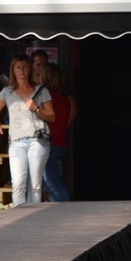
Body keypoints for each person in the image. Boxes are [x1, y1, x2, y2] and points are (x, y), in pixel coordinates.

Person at [0, 55, 56, 206]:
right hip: (17, 142)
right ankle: (20, 216)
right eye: (18, 67)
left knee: (35, 185)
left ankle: (33, 216)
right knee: (18, 184)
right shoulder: (7, 91)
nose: (22, 70)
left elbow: (52, 116)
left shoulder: (41, 90)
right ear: (13, 70)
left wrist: (36, 108)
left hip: (38, 140)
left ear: (30, 69)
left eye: (25, 67)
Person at [36, 63, 76, 201]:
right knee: (48, 183)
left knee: (53, 185)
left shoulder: (47, 96)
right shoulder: (63, 97)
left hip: (49, 144)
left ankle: (64, 207)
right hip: (59, 142)